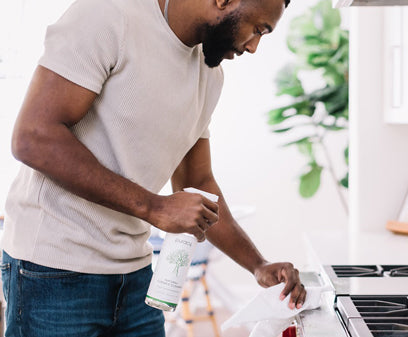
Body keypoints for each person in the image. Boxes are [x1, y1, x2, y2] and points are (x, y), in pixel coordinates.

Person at [1, 0, 306, 335]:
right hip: (54, 271)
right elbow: (33, 137)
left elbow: (197, 180)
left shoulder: (210, 74)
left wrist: (258, 265)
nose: (253, 46)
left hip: (135, 278)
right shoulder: (109, 16)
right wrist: (154, 206)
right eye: (257, 29)